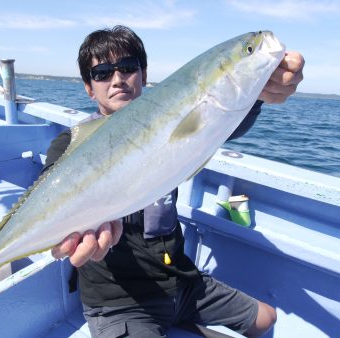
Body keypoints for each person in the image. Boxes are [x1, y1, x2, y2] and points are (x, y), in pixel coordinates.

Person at [45, 26, 305, 337]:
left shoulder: (166, 119)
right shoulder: (72, 146)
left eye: (127, 68)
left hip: (180, 281)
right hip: (121, 301)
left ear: (143, 74)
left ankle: (175, 320)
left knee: (266, 319)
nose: (117, 79)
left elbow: (218, 119)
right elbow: (50, 187)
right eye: (102, 73)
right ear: (89, 87)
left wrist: (259, 91)